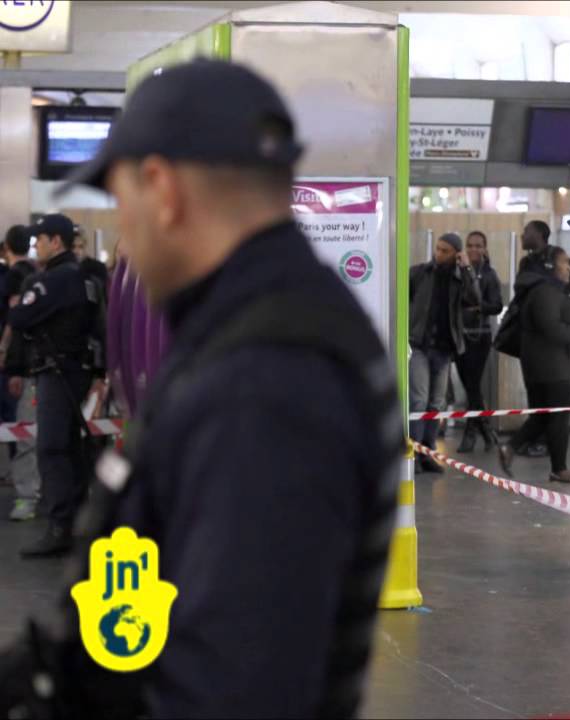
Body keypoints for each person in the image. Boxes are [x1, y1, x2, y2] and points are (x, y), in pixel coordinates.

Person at [0, 60, 402, 717]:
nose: (125, 234)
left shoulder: (270, 379)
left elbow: (237, 688)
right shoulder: (251, 330)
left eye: (121, 200)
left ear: (162, 189)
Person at [9, 213, 102, 558]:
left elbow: (19, 317)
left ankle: (60, 526)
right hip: (77, 369)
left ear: (56, 241)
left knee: (51, 448)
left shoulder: (53, 279)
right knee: (70, 446)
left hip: (56, 370)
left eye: (41, 240)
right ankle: (75, 523)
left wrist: (23, 303)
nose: (36, 246)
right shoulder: (84, 277)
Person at [498, 246, 570, 483]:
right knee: (558, 418)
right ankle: (559, 468)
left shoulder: (546, 290)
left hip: (542, 366)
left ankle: (510, 448)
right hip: (554, 367)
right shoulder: (545, 293)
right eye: (565, 263)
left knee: (541, 417)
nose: (569, 268)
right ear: (550, 266)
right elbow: (554, 330)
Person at [408, 232, 480, 473]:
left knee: (436, 403)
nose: (438, 254)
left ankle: (427, 452)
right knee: (419, 401)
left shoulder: (459, 278)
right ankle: (414, 454)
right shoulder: (420, 273)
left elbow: (474, 299)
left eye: (445, 251)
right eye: (437, 249)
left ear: (456, 254)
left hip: (443, 349)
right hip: (419, 345)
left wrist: (467, 268)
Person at [0, 225, 39, 522]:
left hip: (19, 363)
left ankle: (27, 496)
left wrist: (4, 350)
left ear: (6, 248)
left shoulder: (15, 276)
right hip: (33, 362)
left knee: (23, 426)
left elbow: (15, 320)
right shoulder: (38, 273)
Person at [455, 230, 503, 453]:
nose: (474, 249)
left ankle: (470, 433)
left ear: (484, 249)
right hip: (459, 336)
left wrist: (478, 308)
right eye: (470, 245)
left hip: (480, 336)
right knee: (470, 387)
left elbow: (497, 305)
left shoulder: (489, 275)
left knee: (473, 386)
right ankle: (486, 429)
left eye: (478, 245)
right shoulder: (458, 272)